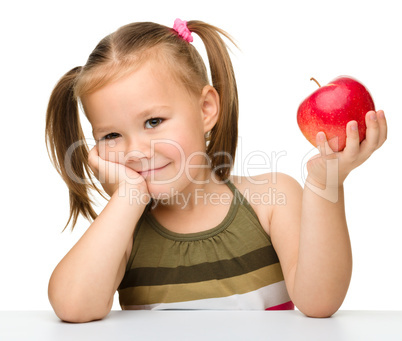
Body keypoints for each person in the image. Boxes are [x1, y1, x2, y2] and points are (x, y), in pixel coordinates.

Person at [45, 19, 387, 323]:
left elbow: (319, 302)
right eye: (111, 135)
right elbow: (74, 307)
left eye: (153, 121)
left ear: (206, 108)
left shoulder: (271, 200)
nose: (135, 151)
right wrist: (129, 196)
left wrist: (328, 181)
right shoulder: (124, 230)